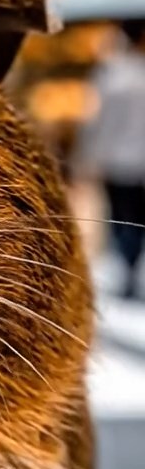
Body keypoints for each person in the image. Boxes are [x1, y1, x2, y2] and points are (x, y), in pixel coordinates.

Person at [76, 22, 145, 299]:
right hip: (140, 161)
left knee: (121, 217)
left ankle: (128, 267)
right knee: (137, 216)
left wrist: (85, 158)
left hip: (116, 162)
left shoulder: (109, 77)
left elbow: (97, 124)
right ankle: (132, 266)